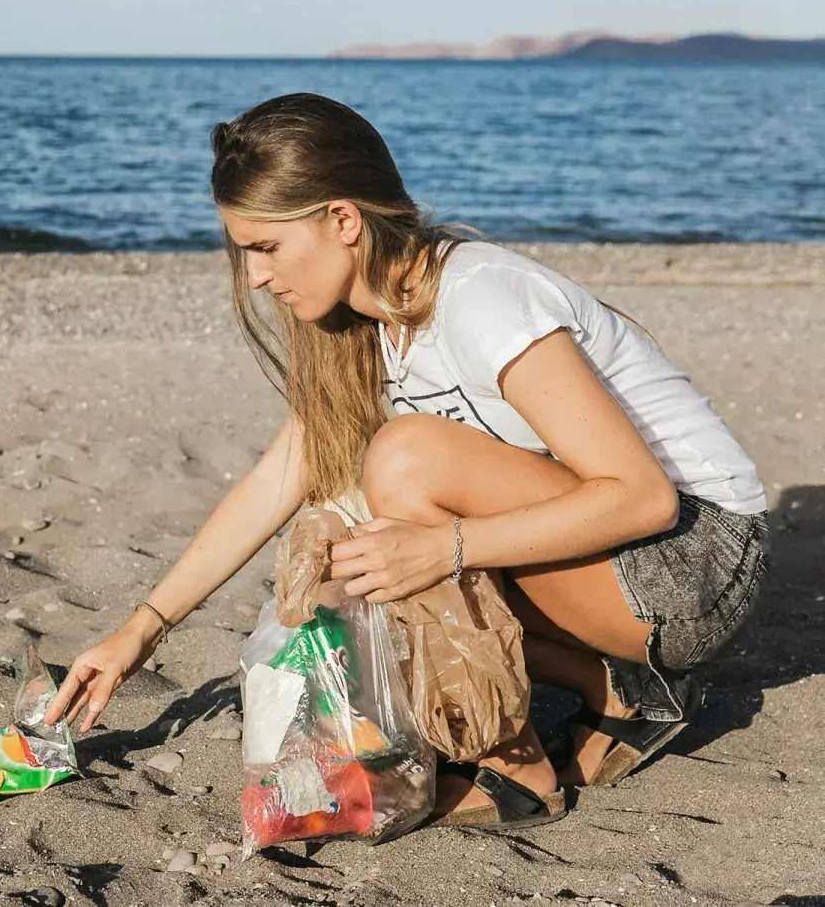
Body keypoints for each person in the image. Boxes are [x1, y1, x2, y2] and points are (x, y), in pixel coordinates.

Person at [43, 92, 771, 829]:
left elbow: (645, 499)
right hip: (609, 560)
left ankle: (515, 767)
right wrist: (141, 629)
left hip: (696, 563)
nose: (256, 276)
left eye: (266, 247)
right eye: (244, 251)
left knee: (405, 464)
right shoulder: (353, 327)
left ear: (343, 221)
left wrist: (443, 548)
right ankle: (618, 689)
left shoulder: (483, 297)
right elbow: (274, 483)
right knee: (352, 554)